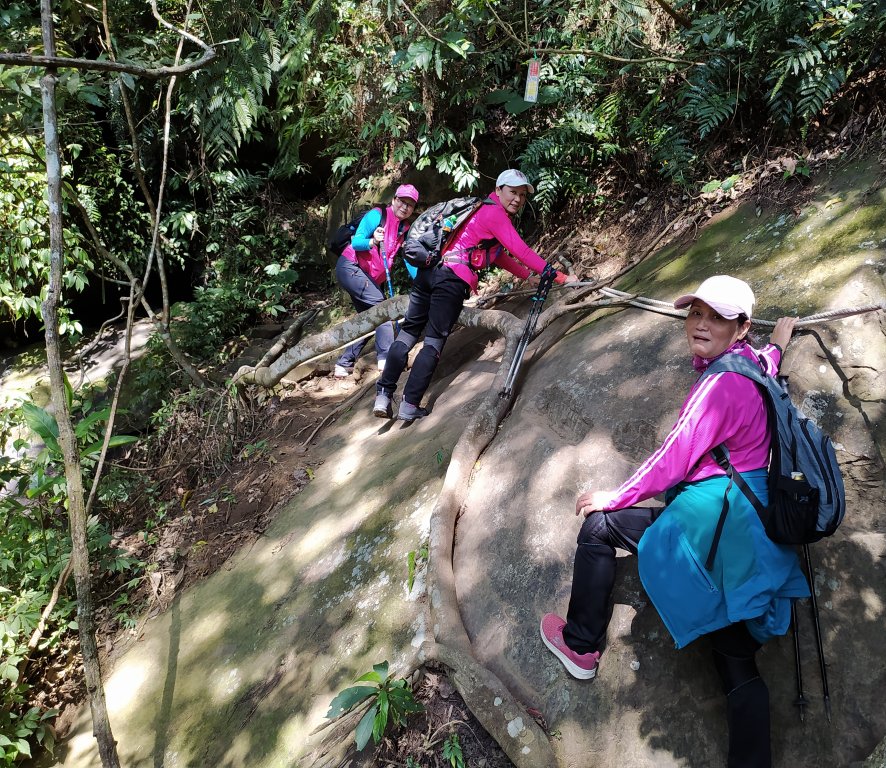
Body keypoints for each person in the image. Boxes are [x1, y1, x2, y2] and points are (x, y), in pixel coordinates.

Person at [540, 275, 809, 768]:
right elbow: (767, 362)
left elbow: (673, 456)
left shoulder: (719, 386)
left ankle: (580, 646)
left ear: (741, 327)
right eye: (696, 313)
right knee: (734, 658)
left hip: (715, 525)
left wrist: (615, 496)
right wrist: (778, 344)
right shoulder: (751, 365)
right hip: (756, 531)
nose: (700, 324)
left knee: (599, 527)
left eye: (717, 318)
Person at [372, 169, 578, 421]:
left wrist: (527, 276)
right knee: (434, 340)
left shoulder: (480, 209)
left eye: (523, 195)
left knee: (408, 333)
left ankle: (383, 393)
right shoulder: (494, 214)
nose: (518, 199)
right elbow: (521, 251)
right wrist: (561, 278)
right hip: (450, 279)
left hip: (429, 271)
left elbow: (497, 255)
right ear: (499, 189)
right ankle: (410, 404)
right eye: (513, 192)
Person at [333, 184, 419, 378]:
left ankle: (344, 363)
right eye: (402, 201)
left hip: (369, 277)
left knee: (369, 319)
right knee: (382, 309)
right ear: (394, 200)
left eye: (410, 205)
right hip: (351, 267)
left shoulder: (404, 228)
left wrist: (421, 281)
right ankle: (387, 359)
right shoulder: (377, 215)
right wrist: (373, 241)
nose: (405, 207)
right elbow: (357, 242)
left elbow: (408, 257)